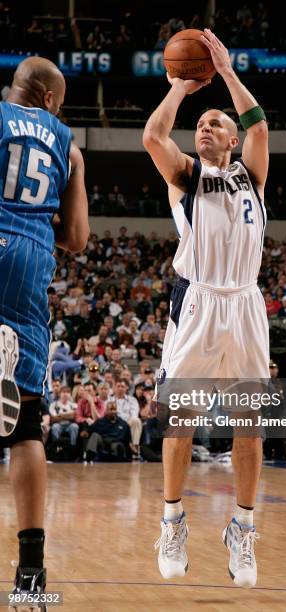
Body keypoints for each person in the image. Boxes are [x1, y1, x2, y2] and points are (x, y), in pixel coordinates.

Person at [143, 29, 269, 588]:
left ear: (233, 139)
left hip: (244, 304)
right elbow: (152, 135)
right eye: (202, 123)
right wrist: (179, 87)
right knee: (183, 419)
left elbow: (260, 123)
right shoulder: (187, 177)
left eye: (216, 122)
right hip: (198, 301)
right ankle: (172, 520)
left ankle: (242, 530)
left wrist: (226, 69)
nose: (205, 126)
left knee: (251, 426)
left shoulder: (254, 176)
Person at [0, 57, 89, 600]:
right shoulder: (69, 145)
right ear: (52, 100)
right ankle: (31, 576)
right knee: (27, 427)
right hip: (31, 258)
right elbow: (77, 237)